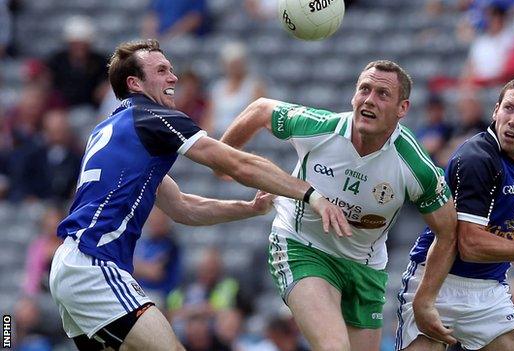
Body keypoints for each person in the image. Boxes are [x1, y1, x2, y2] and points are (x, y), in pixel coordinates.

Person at [49, 39, 350, 351]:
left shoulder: (113, 129)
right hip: (94, 265)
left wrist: (247, 208)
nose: (173, 77)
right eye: (162, 70)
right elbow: (237, 163)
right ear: (135, 83)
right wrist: (309, 193)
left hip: (72, 265)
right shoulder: (151, 117)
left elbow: (182, 207)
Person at [220, 60, 458, 350]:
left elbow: (447, 231)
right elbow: (260, 110)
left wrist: (425, 300)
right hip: (302, 247)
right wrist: (223, 160)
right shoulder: (322, 127)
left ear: (402, 109)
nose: (369, 100)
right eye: (364, 90)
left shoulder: (415, 165)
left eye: (382, 94)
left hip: (365, 267)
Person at [395, 77, 514, 351]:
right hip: (437, 284)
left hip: (488, 289)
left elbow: (501, 229)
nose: (513, 120)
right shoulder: (477, 159)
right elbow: (470, 245)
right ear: (495, 111)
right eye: (508, 108)